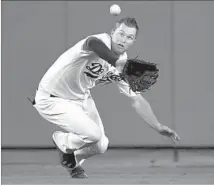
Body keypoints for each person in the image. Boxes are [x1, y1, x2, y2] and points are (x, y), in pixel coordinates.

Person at [32, 17, 180, 178]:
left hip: (81, 97)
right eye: (121, 34)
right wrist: (116, 62)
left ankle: (71, 159)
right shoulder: (100, 41)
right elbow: (92, 43)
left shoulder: (123, 64)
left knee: (101, 145)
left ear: (133, 41)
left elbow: (137, 100)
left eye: (129, 37)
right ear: (112, 33)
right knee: (93, 135)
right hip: (52, 98)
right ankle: (62, 140)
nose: (123, 40)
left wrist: (157, 126)